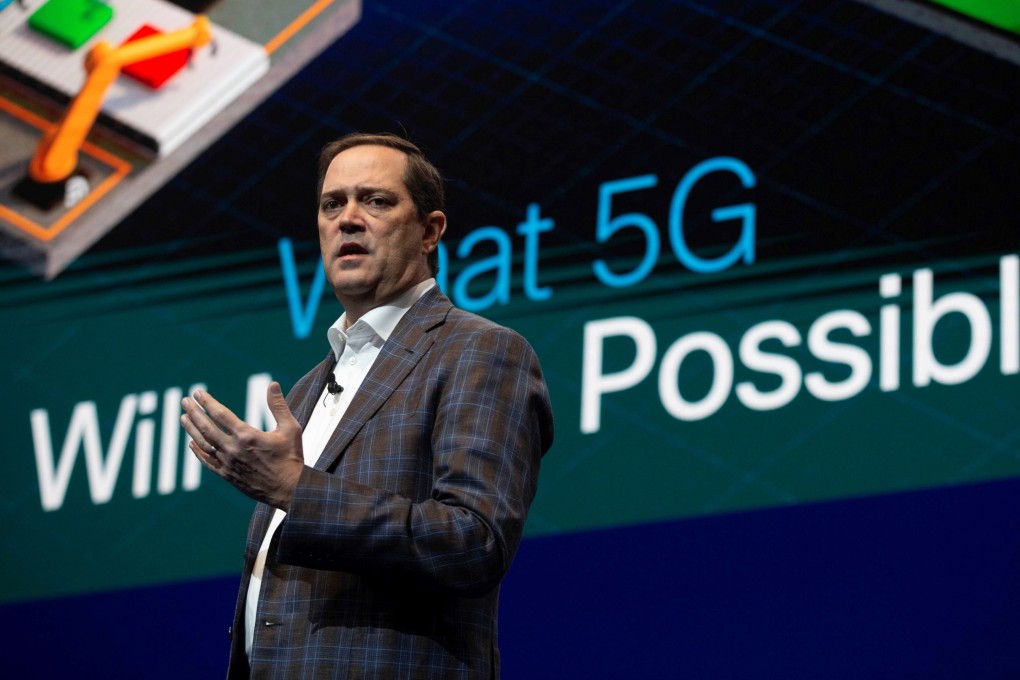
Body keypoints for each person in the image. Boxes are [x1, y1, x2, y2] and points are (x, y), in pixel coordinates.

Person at [180, 132, 554, 679]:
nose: (347, 219)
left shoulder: (479, 351)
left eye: (375, 201)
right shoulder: (309, 387)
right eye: (332, 204)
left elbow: (473, 542)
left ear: (430, 231)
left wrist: (293, 488)